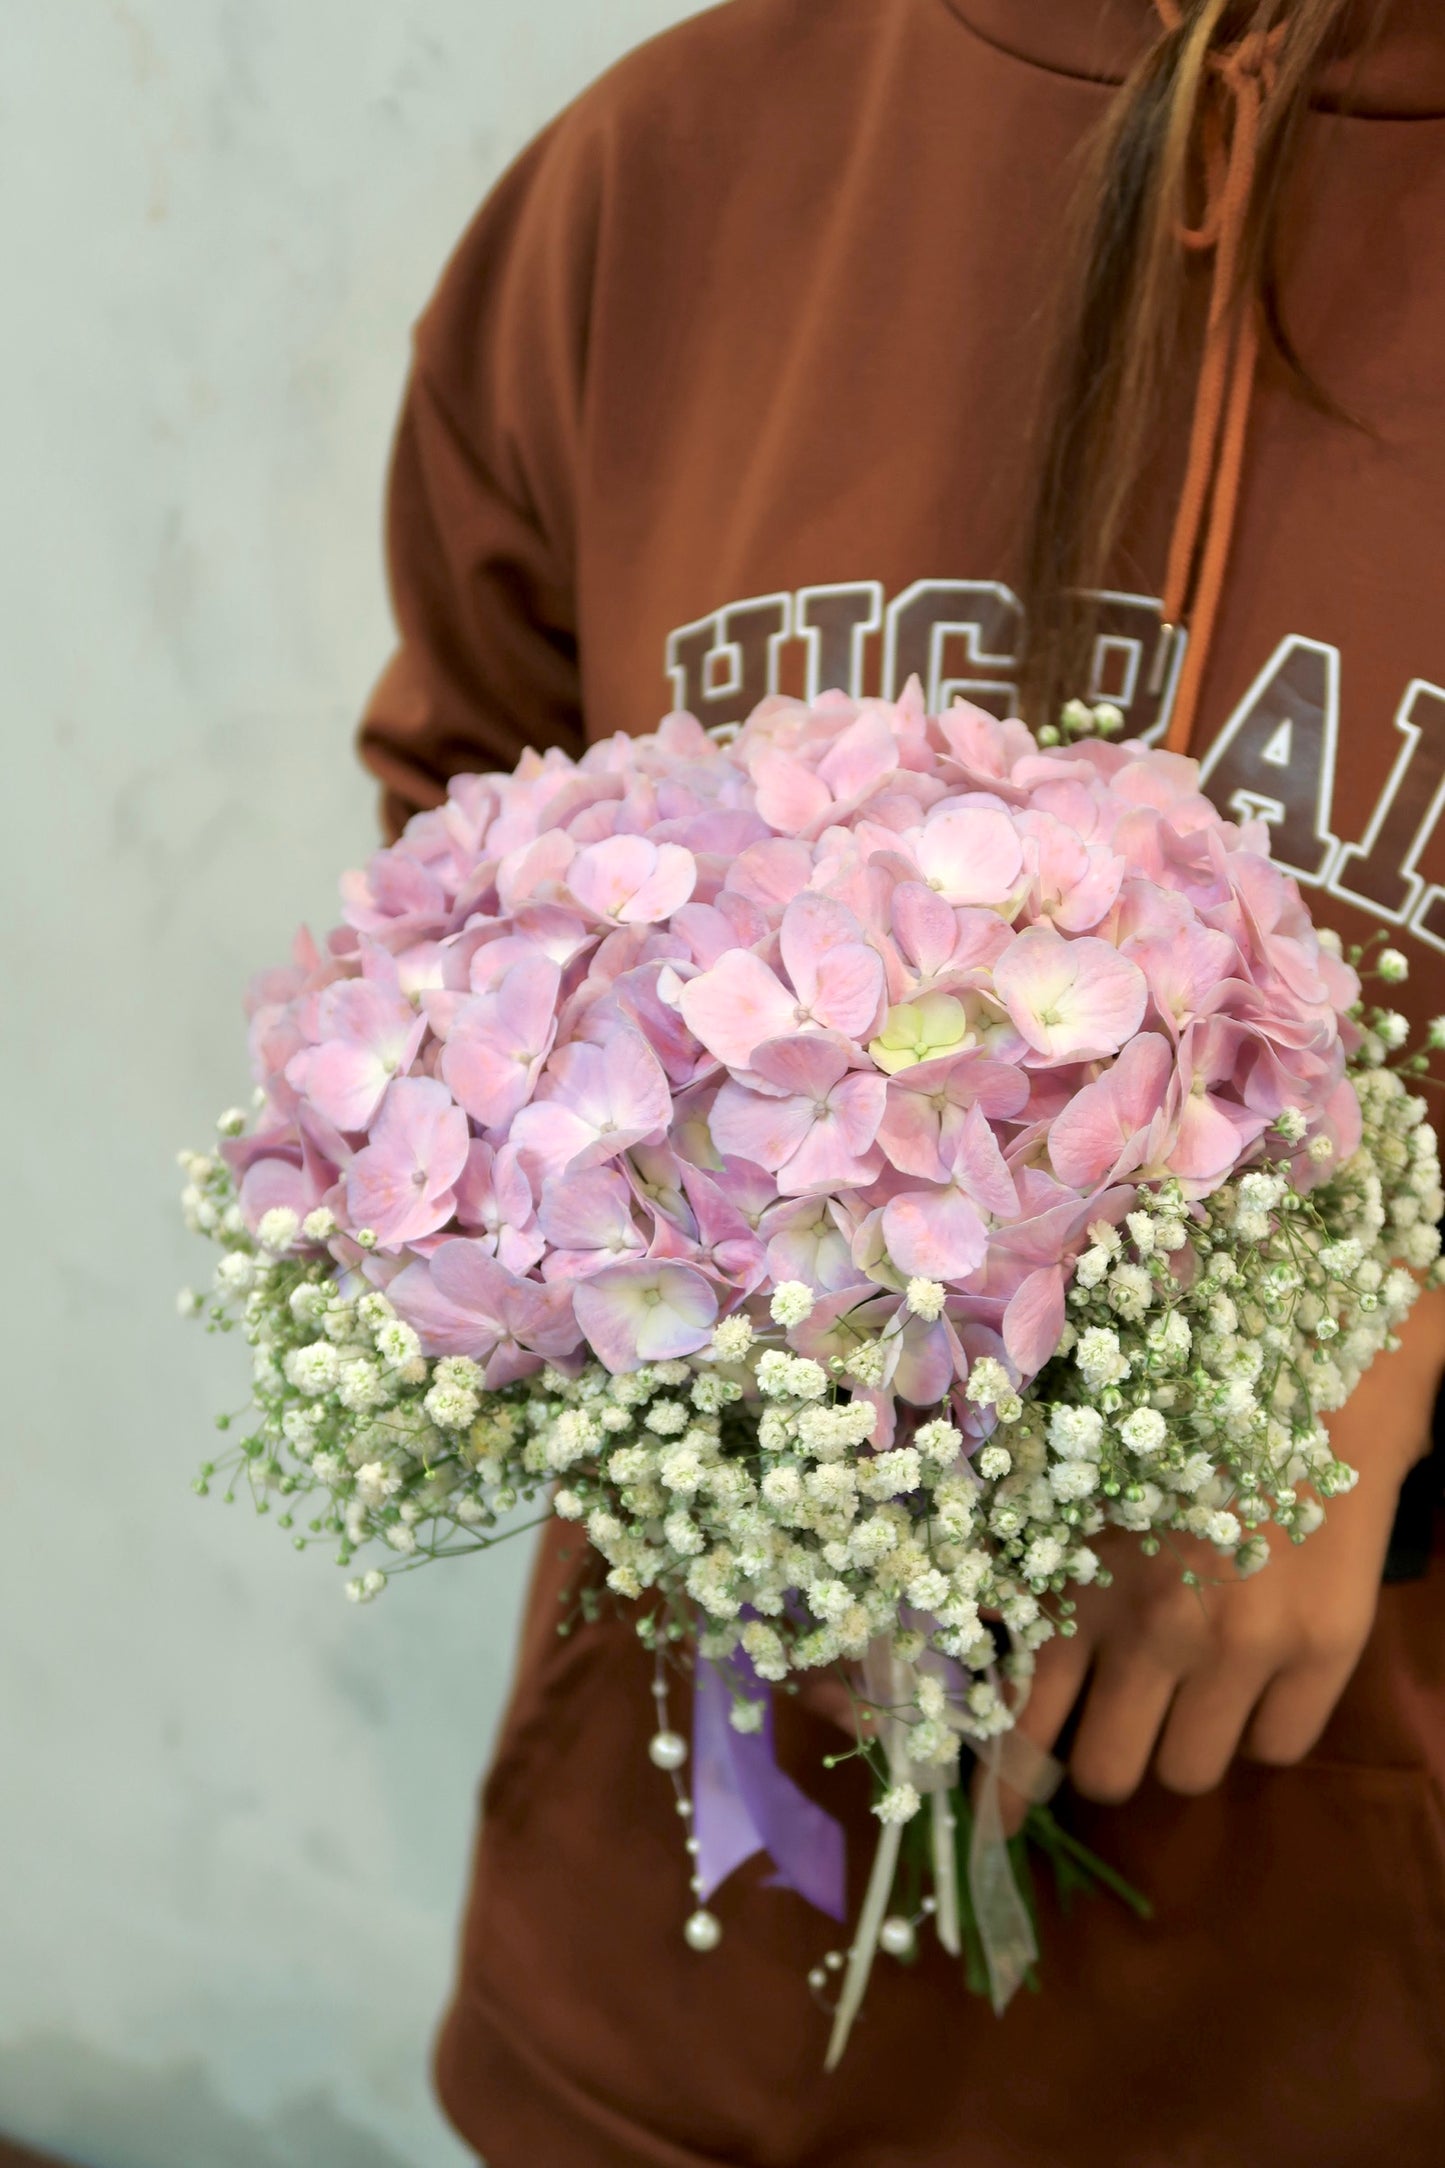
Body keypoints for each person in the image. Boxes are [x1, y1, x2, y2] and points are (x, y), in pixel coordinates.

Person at [357, 4, 1445, 2161]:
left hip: (1339, 2027)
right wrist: (670, 1349)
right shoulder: (672, 167)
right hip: (676, 2015)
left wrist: (1401, 1344)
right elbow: (457, 884)